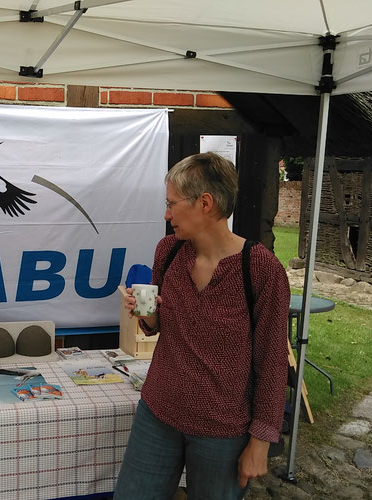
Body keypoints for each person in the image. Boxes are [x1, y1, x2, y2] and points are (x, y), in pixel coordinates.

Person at [113, 152, 290, 500]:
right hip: (158, 412)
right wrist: (146, 315)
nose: (166, 215)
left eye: (172, 204)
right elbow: (160, 327)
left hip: (222, 431)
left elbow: (272, 361)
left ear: (205, 203)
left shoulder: (260, 269)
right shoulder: (168, 252)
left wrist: (260, 441)